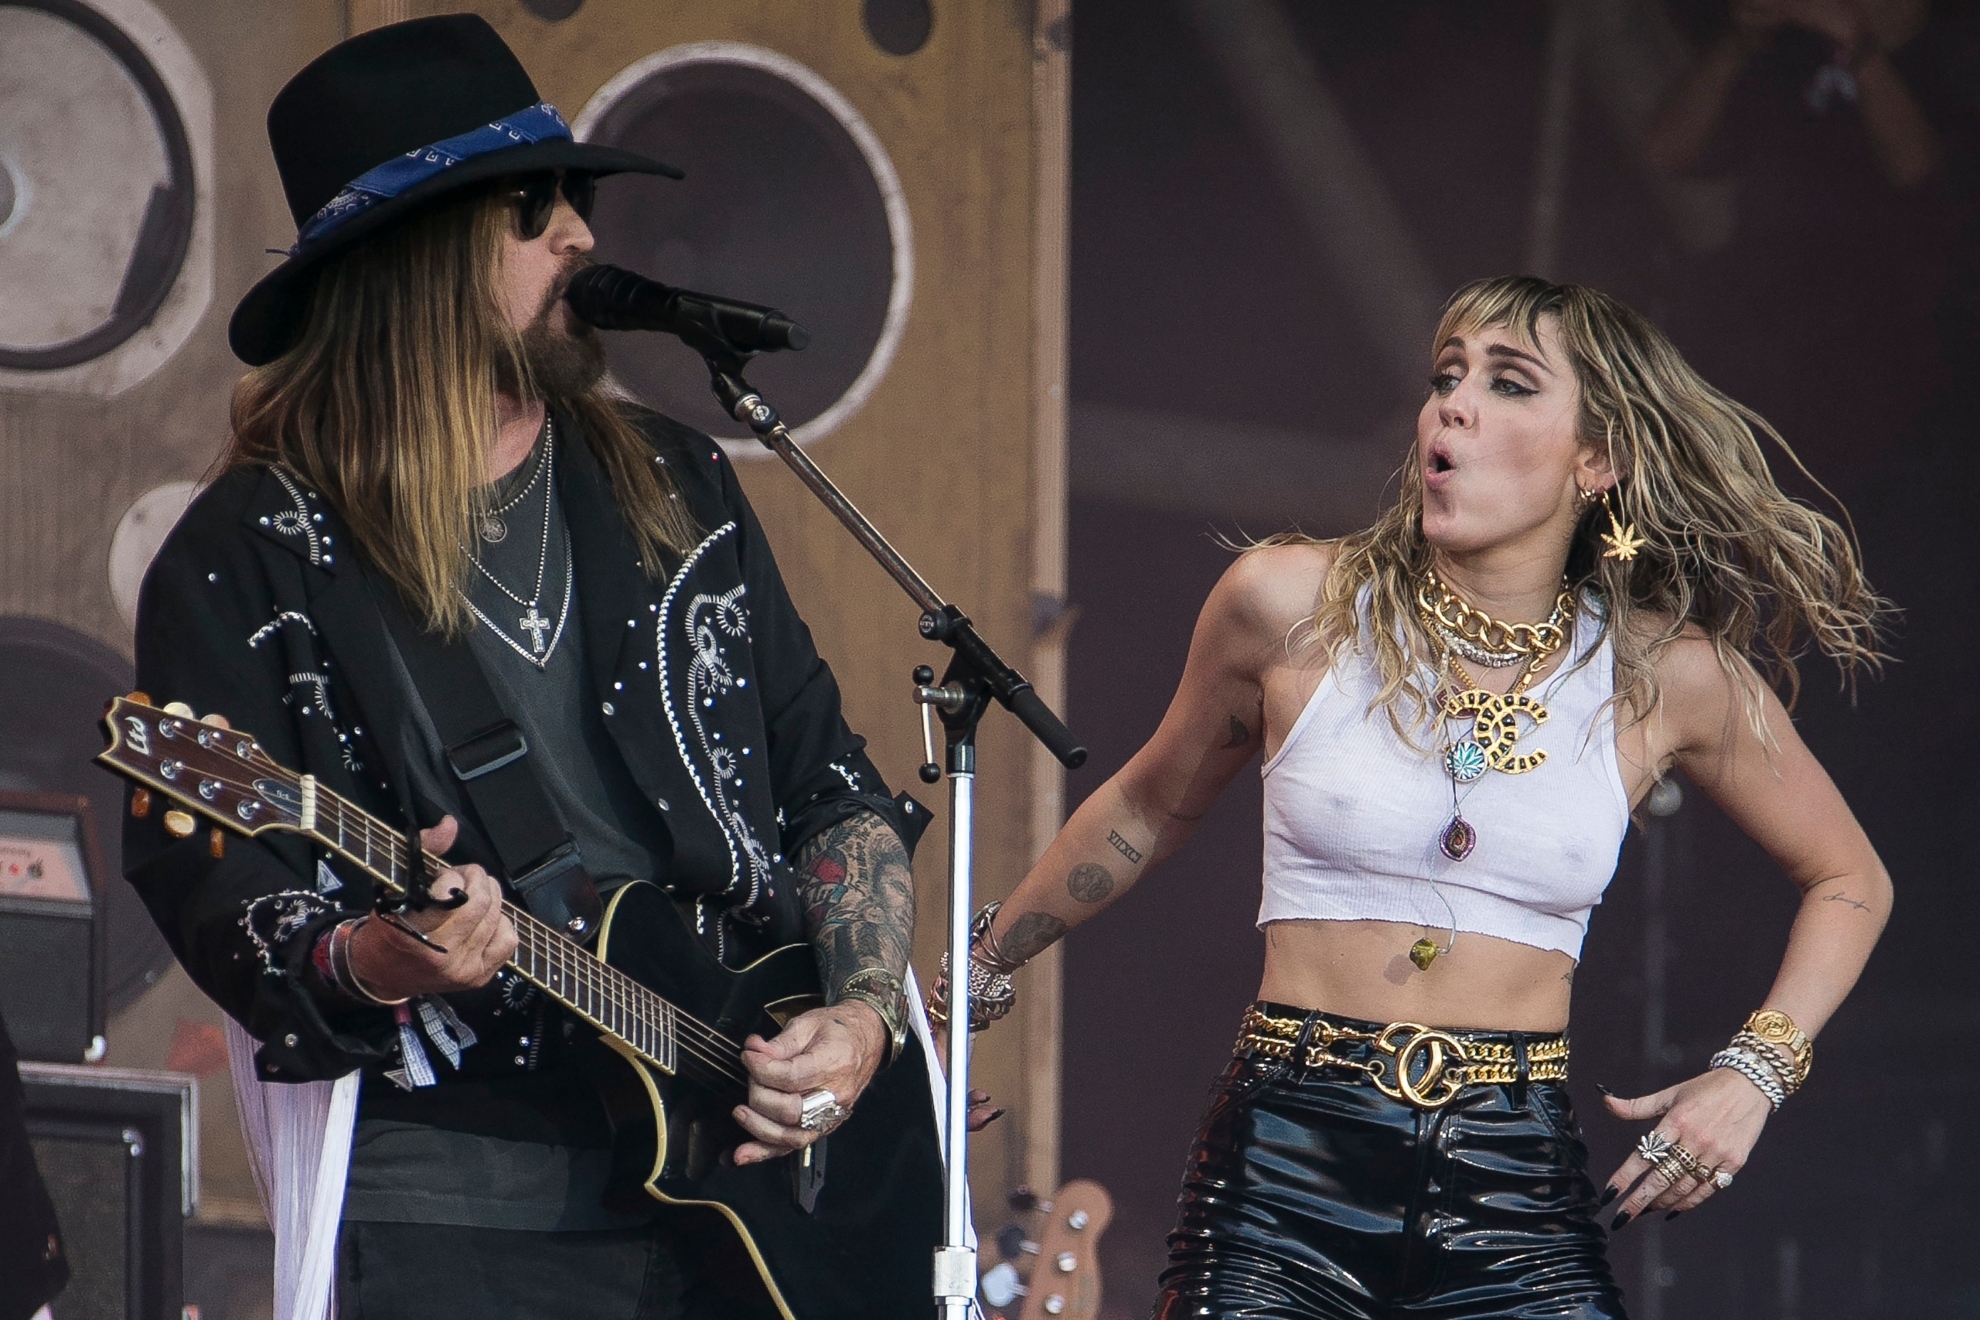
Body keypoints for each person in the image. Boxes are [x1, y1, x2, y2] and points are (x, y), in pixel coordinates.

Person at [123, 16, 930, 1319]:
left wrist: (864, 1015)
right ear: (417, 257)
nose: (582, 236)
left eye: (574, 198)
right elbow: (215, 888)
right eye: (531, 208)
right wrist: (377, 961)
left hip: (742, 1195)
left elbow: (833, 790)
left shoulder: (678, 486)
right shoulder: (261, 548)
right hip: (452, 1200)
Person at [941, 276, 1893, 1317]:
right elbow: (1149, 804)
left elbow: (1849, 878)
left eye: (1510, 383)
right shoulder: (1290, 605)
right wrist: (977, 976)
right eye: (1447, 376)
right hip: (1287, 1164)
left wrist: (1754, 1074)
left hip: (1515, 1180)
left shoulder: (1662, 674)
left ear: (1598, 459)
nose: (1453, 403)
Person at [1644, 0, 1940, 188]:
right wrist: (1738, 44)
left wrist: (1855, 42)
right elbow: (1665, 153)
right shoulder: (1794, 51)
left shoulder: (1949, 54)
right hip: (1765, 267)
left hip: (1890, 273)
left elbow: (1915, 169)